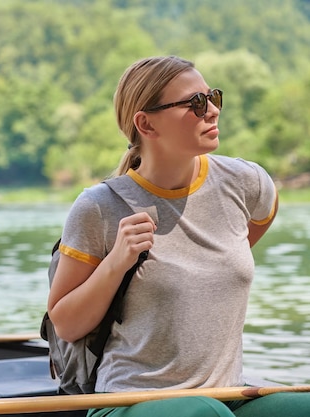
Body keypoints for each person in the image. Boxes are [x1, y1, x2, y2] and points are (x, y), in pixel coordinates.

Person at [47, 56, 310, 416]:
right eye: (196, 103)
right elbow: (65, 323)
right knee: (204, 414)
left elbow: (254, 225)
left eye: (213, 97)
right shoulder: (99, 206)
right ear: (146, 124)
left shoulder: (246, 182)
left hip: (227, 396)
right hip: (128, 402)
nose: (213, 111)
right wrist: (116, 264)